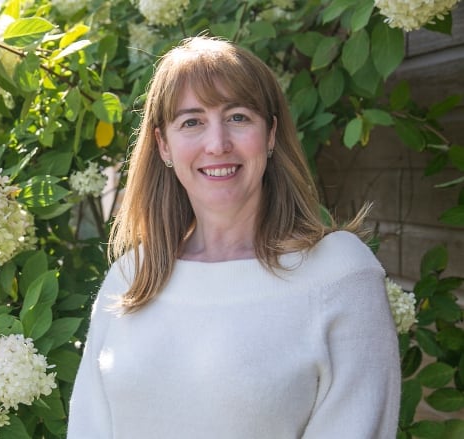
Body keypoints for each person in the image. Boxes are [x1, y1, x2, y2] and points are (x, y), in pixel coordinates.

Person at [67, 36, 400, 438]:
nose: (217, 144)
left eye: (238, 117)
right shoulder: (131, 277)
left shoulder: (338, 274)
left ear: (271, 133)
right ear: (163, 145)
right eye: (191, 121)